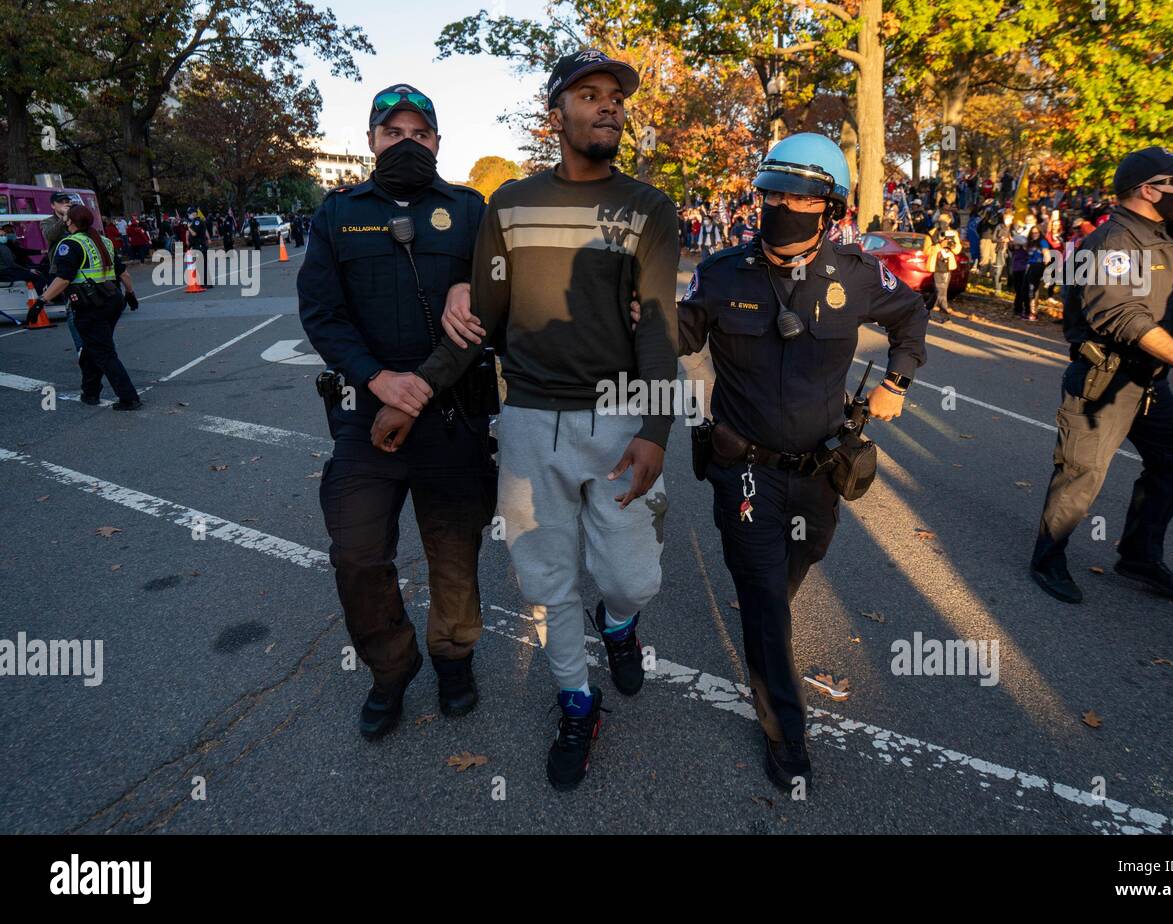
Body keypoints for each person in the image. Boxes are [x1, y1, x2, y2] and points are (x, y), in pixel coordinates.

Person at [384, 50, 679, 791]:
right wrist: (413, 391)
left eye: (616, 96)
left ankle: (619, 625)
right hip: (527, 426)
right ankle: (578, 704)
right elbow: (479, 321)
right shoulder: (509, 205)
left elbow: (660, 330)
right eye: (589, 95)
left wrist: (655, 430)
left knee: (630, 577)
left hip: (618, 421)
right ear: (557, 115)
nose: (608, 106)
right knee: (546, 583)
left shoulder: (650, 208)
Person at [676, 133, 928, 792]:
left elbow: (912, 316)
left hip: (819, 470)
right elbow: (670, 336)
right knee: (763, 601)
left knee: (804, 557)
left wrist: (896, 381)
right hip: (744, 470)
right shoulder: (721, 273)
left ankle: (767, 616)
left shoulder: (855, 273)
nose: (781, 204)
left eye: (799, 195)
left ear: (828, 207)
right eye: (772, 191)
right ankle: (787, 735)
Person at [296, 83, 497, 741]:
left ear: (438, 142)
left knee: (455, 553)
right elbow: (322, 313)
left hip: (454, 419)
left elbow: (497, 305)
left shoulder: (471, 211)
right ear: (372, 142)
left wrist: (472, 284)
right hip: (366, 421)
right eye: (393, 133)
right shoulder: (337, 214)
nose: (406, 143)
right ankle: (392, 667)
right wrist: (378, 379)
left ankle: (454, 657)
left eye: (419, 134)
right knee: (356, 555)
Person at [1030, 147, 1173, 605]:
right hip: (1103, 380)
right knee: (1082, 474)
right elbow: (1122, 315)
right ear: (1148, 190)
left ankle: (1138, 555)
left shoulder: (1163, 240)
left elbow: (1159, 314)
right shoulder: (1111, 243)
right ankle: (1047, 559)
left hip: (1150, 383)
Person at [26, 205, 141, 409]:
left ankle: (129, 397)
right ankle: (90, 392)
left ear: (69, 221)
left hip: (90, 306)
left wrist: (40, 301)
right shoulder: (103, 241)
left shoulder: (69, 244)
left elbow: (63, 279)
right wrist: (130, 294)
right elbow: (124, 274)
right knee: (90, 349)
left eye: (66, 219)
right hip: (112, 300)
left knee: (103, 352)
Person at [926, 216, 961, 322]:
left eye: (946, 222)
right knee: (940, 290)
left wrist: (952, 245)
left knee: (941, 290)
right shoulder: (931, 234)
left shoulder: (953, 234)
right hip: (936, 265)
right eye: (942, 222)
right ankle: (944, 313)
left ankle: (926, 310)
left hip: (947, 265)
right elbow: (926, 251)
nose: (944, 224)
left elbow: (958, 249)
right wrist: (939, 245)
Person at [39, 192, 73, 267]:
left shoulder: (75, 219)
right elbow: (49, 236)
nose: (65, 205)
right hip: (59, 266)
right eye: (61, 202)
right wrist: (63, 220)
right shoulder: (47, 221)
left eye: (66, 202)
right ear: (53, 206)